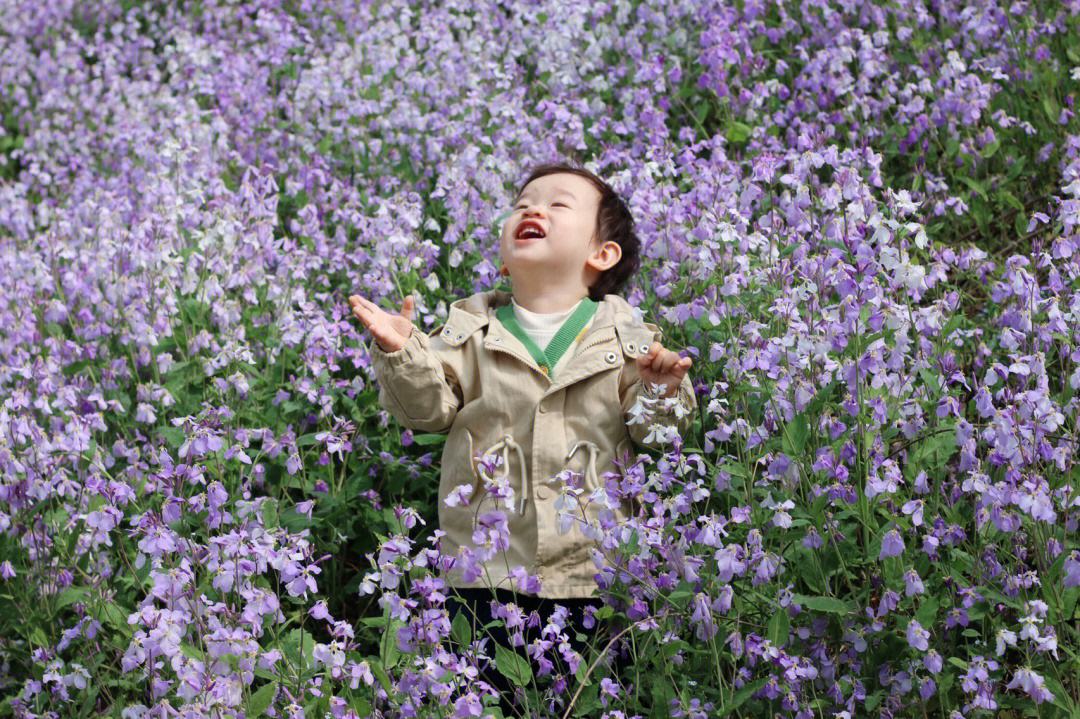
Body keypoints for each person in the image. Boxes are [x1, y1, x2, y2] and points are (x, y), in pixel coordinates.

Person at [350, 161, 697, 716]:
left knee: (594, 699)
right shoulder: (468, 333)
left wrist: (660, 391)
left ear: (600, 255)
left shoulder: (631, 342)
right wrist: (403, 353)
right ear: (505, 263)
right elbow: (428, 414)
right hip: (484, 574)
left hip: (597, 578)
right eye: (523, 204)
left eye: (559, 205)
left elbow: (657, 436)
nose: (533, 210)